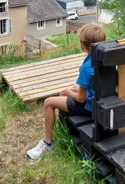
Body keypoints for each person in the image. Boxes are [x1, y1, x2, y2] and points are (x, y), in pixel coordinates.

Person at [26, 23, 106, 161]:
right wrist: (75, 89)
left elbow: (80, 99)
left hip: (90, 108)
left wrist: (67, 92)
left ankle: (47, 142)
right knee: (70, 90)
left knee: (49, 102)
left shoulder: (86, 67)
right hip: (103, 102)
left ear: (83, 44)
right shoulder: (106, 58)